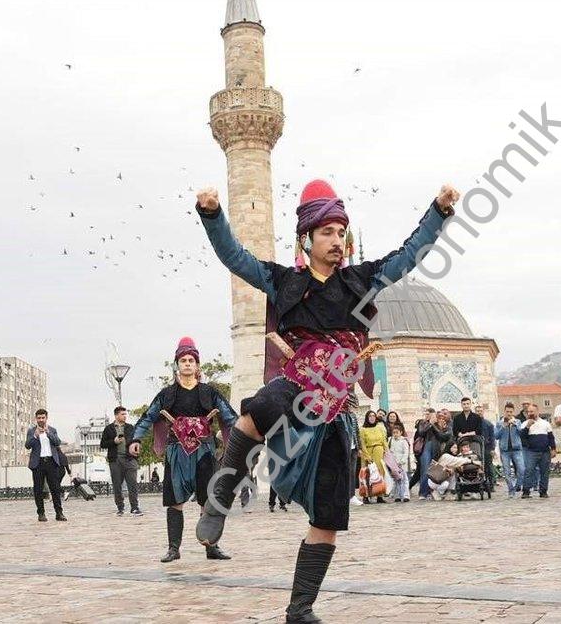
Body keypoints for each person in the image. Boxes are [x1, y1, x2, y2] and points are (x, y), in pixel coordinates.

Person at [191, 179, 460, 623]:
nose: (336, 242)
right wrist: (213, 215)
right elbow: (234, 257)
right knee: (259, 406)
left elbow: (409, 254)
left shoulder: (362, 280)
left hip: (335, 413)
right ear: (307, 239)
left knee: (329, 518)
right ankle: (219, 498)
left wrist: (438, 211)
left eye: (342, 233)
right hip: (295, 388)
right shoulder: (283, 282)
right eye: (327, 233)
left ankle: (299, 609)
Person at [131, 337, 238, 561]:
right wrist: (136, 439)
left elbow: (229, 417)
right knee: (174, 500)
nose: (187, 363)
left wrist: (246, 435)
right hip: (176, 452)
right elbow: (148, 416)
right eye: (183, 360)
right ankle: (173, 548)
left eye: (191, 360)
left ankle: (211, 547)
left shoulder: (210, 393)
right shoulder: (166, 395)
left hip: (204, 452)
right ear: (177, 365)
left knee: (207, 499)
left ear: (197, 365)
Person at [25, 409, 66, 522]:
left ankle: (59, 513)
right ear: (36, 419)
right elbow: (27, 445)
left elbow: (57, 442)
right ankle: (41, 513)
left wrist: (48, 433)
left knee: (55, 489)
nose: (41, 420)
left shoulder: (52, 430)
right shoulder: (31, 431)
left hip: (51, 462)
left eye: (43, 417)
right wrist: (35, 436)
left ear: (46, 418)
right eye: (39, 418)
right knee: (38, 489)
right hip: (38, 463)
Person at [100, 406, 141, 516]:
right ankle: (120, 508)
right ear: (116, 415)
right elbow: (102, 444)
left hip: (130, 459)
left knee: (132, 484)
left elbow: (136, 439)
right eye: (123, 414)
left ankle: (135, 508)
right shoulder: (108, 428)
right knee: (117, 485)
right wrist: (114, 441)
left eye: (125, 414)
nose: (125, 416)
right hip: (115, 460)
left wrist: (136, 449)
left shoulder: (130, 427)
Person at [519, 404, 556, 498]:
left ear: (537, 412)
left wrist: (553, 449)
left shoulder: (545, 423)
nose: (530, 413)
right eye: (528, 412)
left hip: (545, 451)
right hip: (531, 451)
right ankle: (526, 491)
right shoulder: (524, 424)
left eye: (532, 411)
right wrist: (527, 427)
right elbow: (522, 437)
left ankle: (543, 491)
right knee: (529, 470)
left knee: (544, 472)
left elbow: (551, 437)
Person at [494, 403, 526, 498]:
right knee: (507, 471)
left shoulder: (518, 421)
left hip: (517, 449)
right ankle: (510, 490)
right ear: (504, 411)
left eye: (511, 412)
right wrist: (503, 427)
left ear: (513, 412)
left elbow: (521, 433)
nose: (509, 414)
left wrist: (515, 424)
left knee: (522, 469)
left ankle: (517, 485)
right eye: (507, 412)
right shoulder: (499, 423)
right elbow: (496, 436)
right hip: (505, 451)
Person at [358, 410, 389, 504]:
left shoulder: (379, 427)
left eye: (373, 416)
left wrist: (387, 451)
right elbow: (362, 443)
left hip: (378, 452)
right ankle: (366, 496)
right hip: (367, 452)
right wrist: (367, 456)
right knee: (367, 474)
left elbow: (384, 440)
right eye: (370, 416)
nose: (372, 417)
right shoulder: (362, 429)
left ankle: (379, 495)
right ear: (367, 418)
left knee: (380, 473)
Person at [409, 409, 434, 492]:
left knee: (421, 471)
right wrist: (430, 424)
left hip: (431, 449)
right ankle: (421, 490)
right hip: (421, 450)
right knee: (421, 470)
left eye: (429, 414)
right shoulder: (422, 423)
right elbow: (421, 432)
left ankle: (409, 486)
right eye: (426, 414)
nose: (427, 416)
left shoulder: (435, 423)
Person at [387, 425, 413, 502]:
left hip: (402, 464)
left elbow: (406, 452)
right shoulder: (390, 440)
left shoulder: (404, 441)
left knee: (404, 479)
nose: (395, 434)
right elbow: (389, 452)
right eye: (394, 432)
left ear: (401, 432)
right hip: (393, 464)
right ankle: (397, 495)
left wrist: (402, 461)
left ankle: (405, 495)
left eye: (397, 432)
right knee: (396, 480)